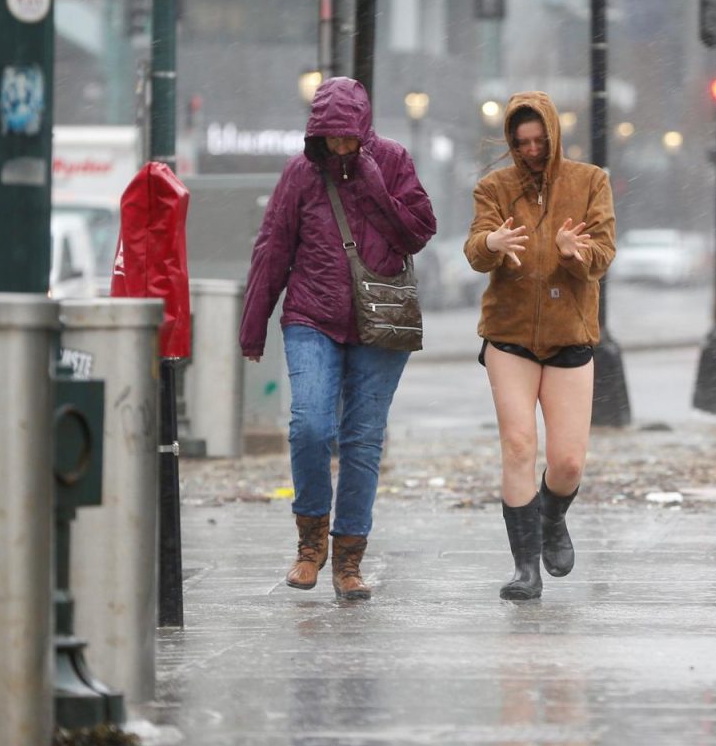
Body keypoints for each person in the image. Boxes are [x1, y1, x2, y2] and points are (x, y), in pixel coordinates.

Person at [239, 76, 436, 600]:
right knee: (309, 426)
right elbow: (272, 250)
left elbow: (419, 231)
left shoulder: (391, 160)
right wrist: (253, 324)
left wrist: (374, 184)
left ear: (365, 130)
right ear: (317, 134)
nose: (341, 146)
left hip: (380, 320)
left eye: (349, 137)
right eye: (332, 137)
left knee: (362, 441)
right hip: (312, 315)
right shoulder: (300, 174)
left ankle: (349, 561)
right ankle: (310, 544)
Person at [464, 91, 615, 601]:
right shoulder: (494, 188)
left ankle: (552, 517)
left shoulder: (590, 181)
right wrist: (492, 245)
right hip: (509, 335)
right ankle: (525, 567)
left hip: (570, 334)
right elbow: (474, 249)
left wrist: (575, 253)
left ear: (553, 135)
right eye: (520, 142)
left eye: (538, 140)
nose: (530, 150)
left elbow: (604, 255)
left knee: (569, 462)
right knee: (519, 445)